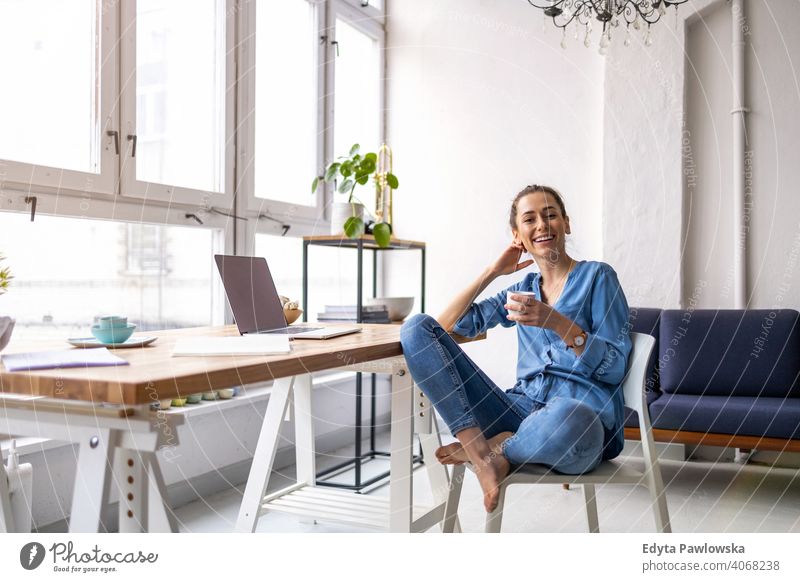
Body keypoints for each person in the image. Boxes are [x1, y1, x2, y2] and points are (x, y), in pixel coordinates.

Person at [400, 184, 632, 513]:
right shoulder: (521, 290)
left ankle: (501, 447)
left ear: (566, 223)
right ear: (517, 236)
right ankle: (481, 451)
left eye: (551, 215)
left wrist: (557, 322)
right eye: (530, 219)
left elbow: (615, 368)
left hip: (583, 422)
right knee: (415, 328)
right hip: (519, 410)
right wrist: (492, 272)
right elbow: (444, 328)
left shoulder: (598, 277)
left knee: (568, 419)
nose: (542, 224)